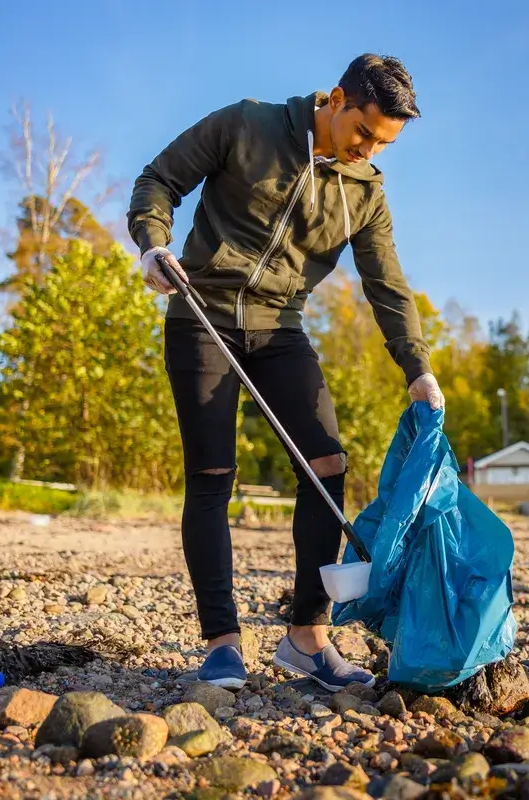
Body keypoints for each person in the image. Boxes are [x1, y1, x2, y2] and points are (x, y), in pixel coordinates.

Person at [127, 54, 444, 691]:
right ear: (334, 99)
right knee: (212, 474)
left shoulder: (366, 193)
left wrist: (418, 370)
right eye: (363, 133)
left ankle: (307, 637)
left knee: (328, 466)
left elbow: (387, 287)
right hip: (202, 312)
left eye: (384, 144)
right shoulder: (247, 125)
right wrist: (153, 243)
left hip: (281, 329)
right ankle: (221, 642)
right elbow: (159, 179)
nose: (368, 151)